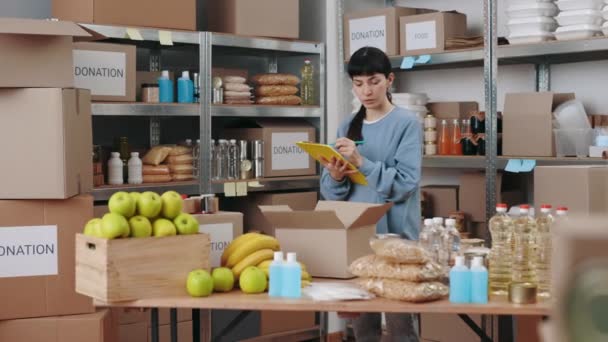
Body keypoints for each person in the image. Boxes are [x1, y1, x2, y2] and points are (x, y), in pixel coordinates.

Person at [320, 46, 422, 341]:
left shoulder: (406, 124)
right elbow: (333, 194)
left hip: (397, 239)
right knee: (362, 327)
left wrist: (361, 162)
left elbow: (406, 184)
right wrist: (336, 176)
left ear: (390, 80)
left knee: (401, 324)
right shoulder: (347, 126)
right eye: (358, 83)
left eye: (374, 81)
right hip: (358, 238)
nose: (366, 90)